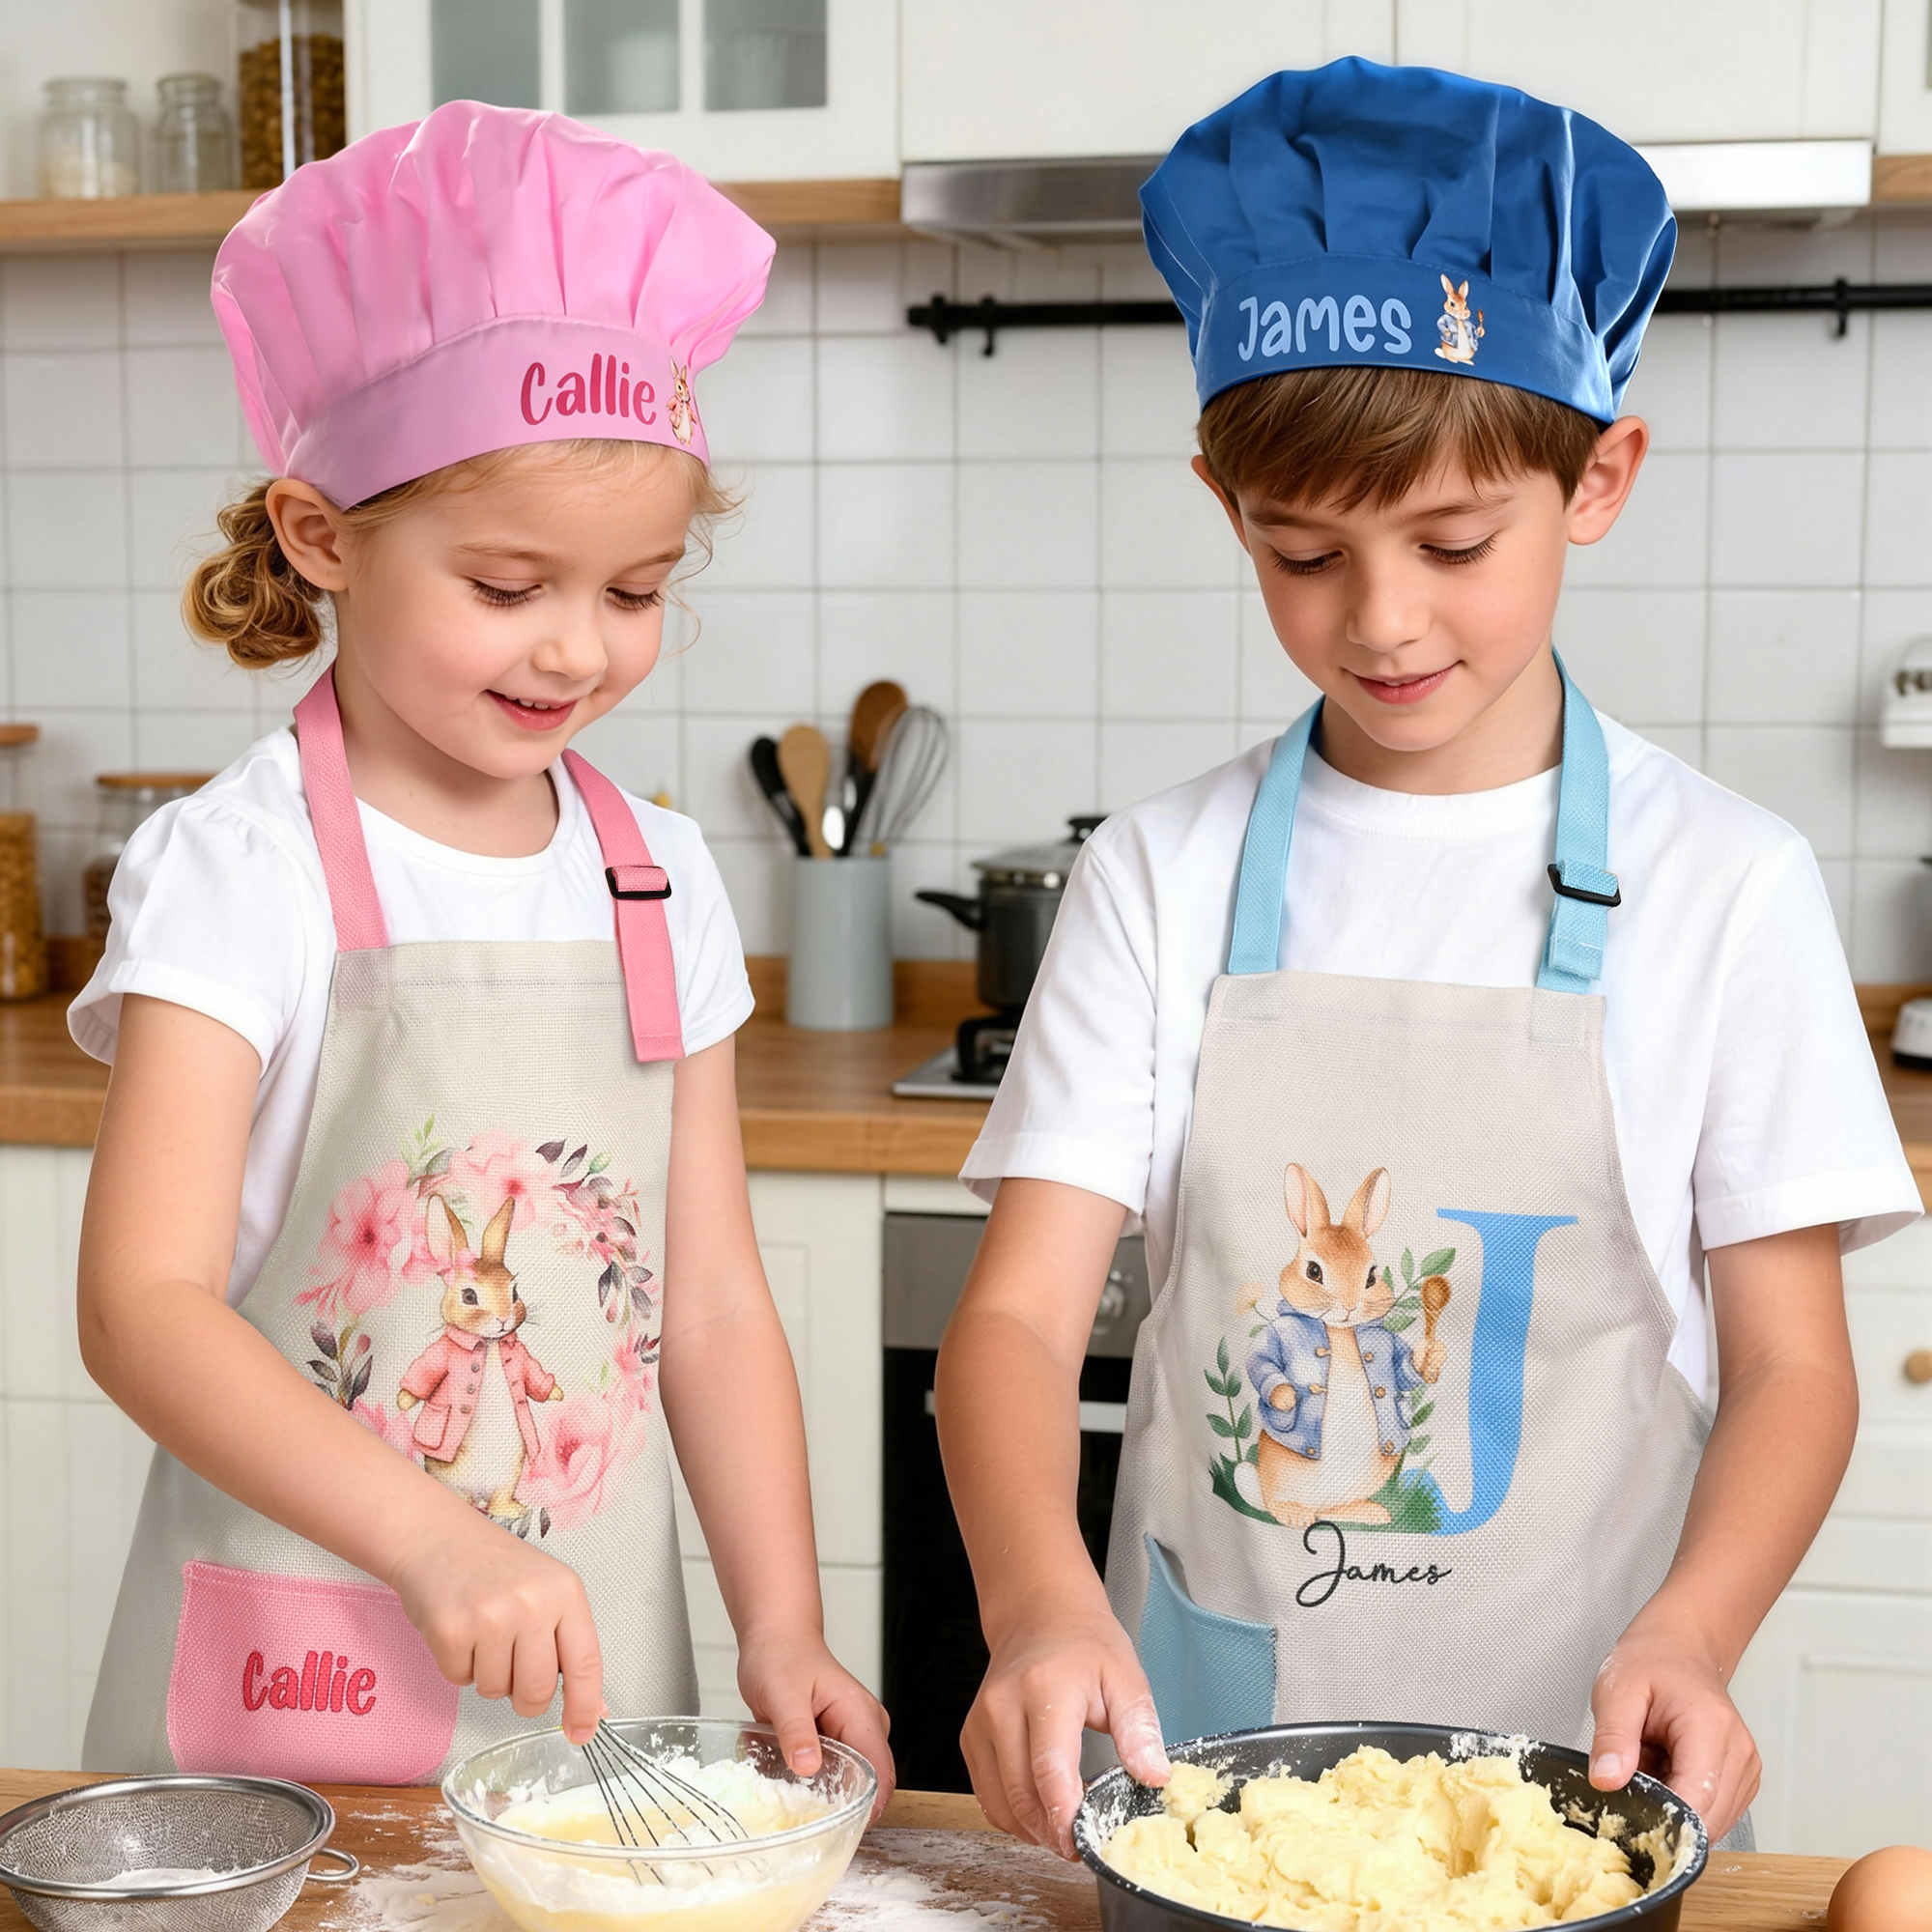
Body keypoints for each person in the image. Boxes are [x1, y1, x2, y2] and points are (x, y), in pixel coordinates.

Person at [935, 58, 1918, 1858]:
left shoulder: (1729, 888)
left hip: (1575, 1783)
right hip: (1201, 1783)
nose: (1382, 621)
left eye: (1455, 543)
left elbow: (1794, 1366)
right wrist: (1037, 1602)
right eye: (1305, 554)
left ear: (1599, 475)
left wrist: (1697, 1635)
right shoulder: (1160, 875)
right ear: (1227, 505)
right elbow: (1011, 1320)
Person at [71, 101, 892, 1796]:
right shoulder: (240, 871)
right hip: (298, 1693)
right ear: (322, 537)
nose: (577, 651)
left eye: (635, 592)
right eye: (510, 587)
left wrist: (784, 1618)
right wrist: (434, 1541)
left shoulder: (659, 876)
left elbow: (710, 1307)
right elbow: (141, 1309)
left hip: (601, 1691)